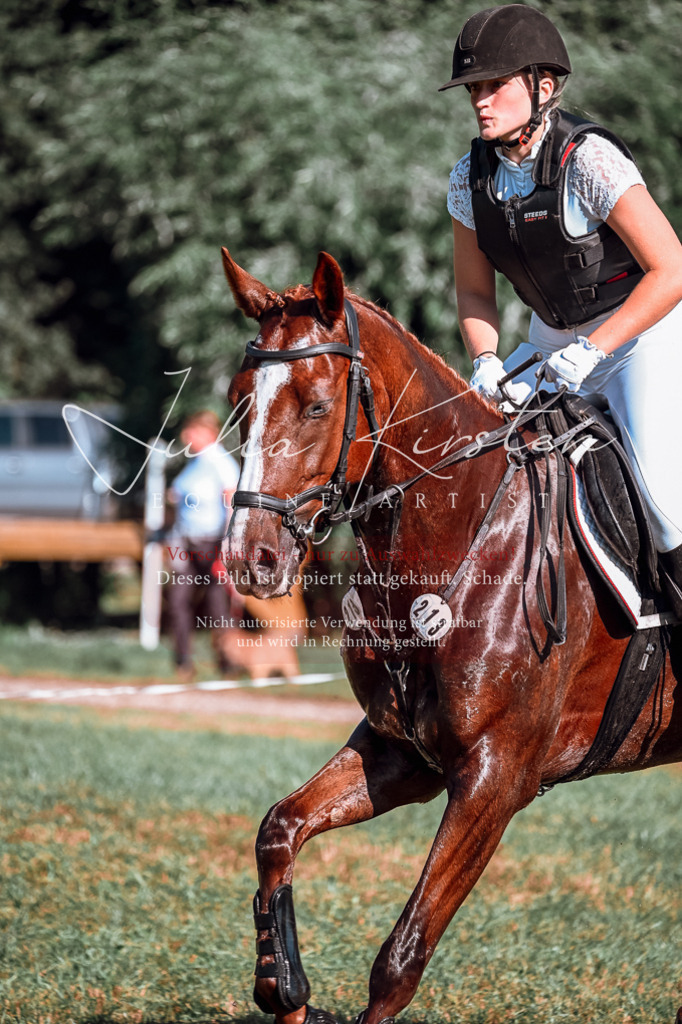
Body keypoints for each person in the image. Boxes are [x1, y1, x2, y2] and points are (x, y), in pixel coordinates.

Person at [441, 3, 682, 616]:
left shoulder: (589, 160)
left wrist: (595, 348)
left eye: (494, 86)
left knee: (662, 504)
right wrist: (488, 359)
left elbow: (672, 268)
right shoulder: (470, 178)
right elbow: (474, 293)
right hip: (548, 345)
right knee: (467, 455)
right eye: (474, 88)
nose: (480, 101)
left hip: (635, 339)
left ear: (542, 87)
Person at [166, 409, 241, 681]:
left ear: (208, 433)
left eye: (192, 431)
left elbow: (231, 503)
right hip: (186, 540)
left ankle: (227, 661)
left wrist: (228, 544)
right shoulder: (194, 463)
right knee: (178, 601)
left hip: (213, 542)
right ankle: (183, 661)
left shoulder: (221, 462)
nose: (186, 436)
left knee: (217, 604)